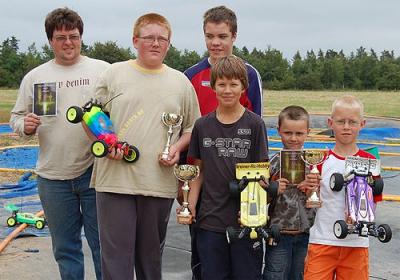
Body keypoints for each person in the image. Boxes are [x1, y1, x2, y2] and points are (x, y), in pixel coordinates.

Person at [90, 13, 200, 280]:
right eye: (149, 37)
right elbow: (91, 116)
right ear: (135, 40)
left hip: (157, 183)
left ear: (169, 44)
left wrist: (175, 148)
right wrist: (105, 141)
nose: (155, 43)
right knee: (116, 261)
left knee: (151, 260)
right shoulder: (114, 73)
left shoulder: (180, 82)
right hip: (115, 181)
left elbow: (191, 129)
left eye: (162, 38)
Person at [9, 7, 109, 280]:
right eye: (61, 37)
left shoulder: (102, 71)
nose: (68, 43)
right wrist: (24, 126)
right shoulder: (36, 77)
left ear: (81, 37)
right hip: (53, 177)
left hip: (95, 173)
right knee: (66, 249)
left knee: (103, 247)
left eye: (73, 36)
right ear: (50, 40)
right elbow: (16, 118)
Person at [183, 6, 263, 278]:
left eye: (222, 36)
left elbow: (256, 154)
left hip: (244, 199)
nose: (216, 42)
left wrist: (256, 206)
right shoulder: (190, 75)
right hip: (206, 192)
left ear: (234, 36)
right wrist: (187, 198)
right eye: (210, 36)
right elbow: (187, 132)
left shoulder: (250, 75)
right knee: (206, 268)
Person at [304, 95, 383, 280]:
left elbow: (374, 201)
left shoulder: (370, 161)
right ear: (330, 123)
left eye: (352, 122)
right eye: (341, 121)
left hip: (356, 244)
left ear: (362, 124)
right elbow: (311, 202)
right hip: (323, 241)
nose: (346, 127)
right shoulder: (321, 160)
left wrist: (358, 216)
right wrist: (310, 188)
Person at [263, 106, 319, 280]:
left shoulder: (314, 165)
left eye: (299, 133)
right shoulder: (271, 164)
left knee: (301, 275)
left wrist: (312, 190)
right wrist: (273, 189)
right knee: (275, 275)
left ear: (308, 132)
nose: (293, 138)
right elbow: (259, 200)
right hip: (278, 234)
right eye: (288, 133)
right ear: (278, 131)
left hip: (307, 234)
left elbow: (319, 202)